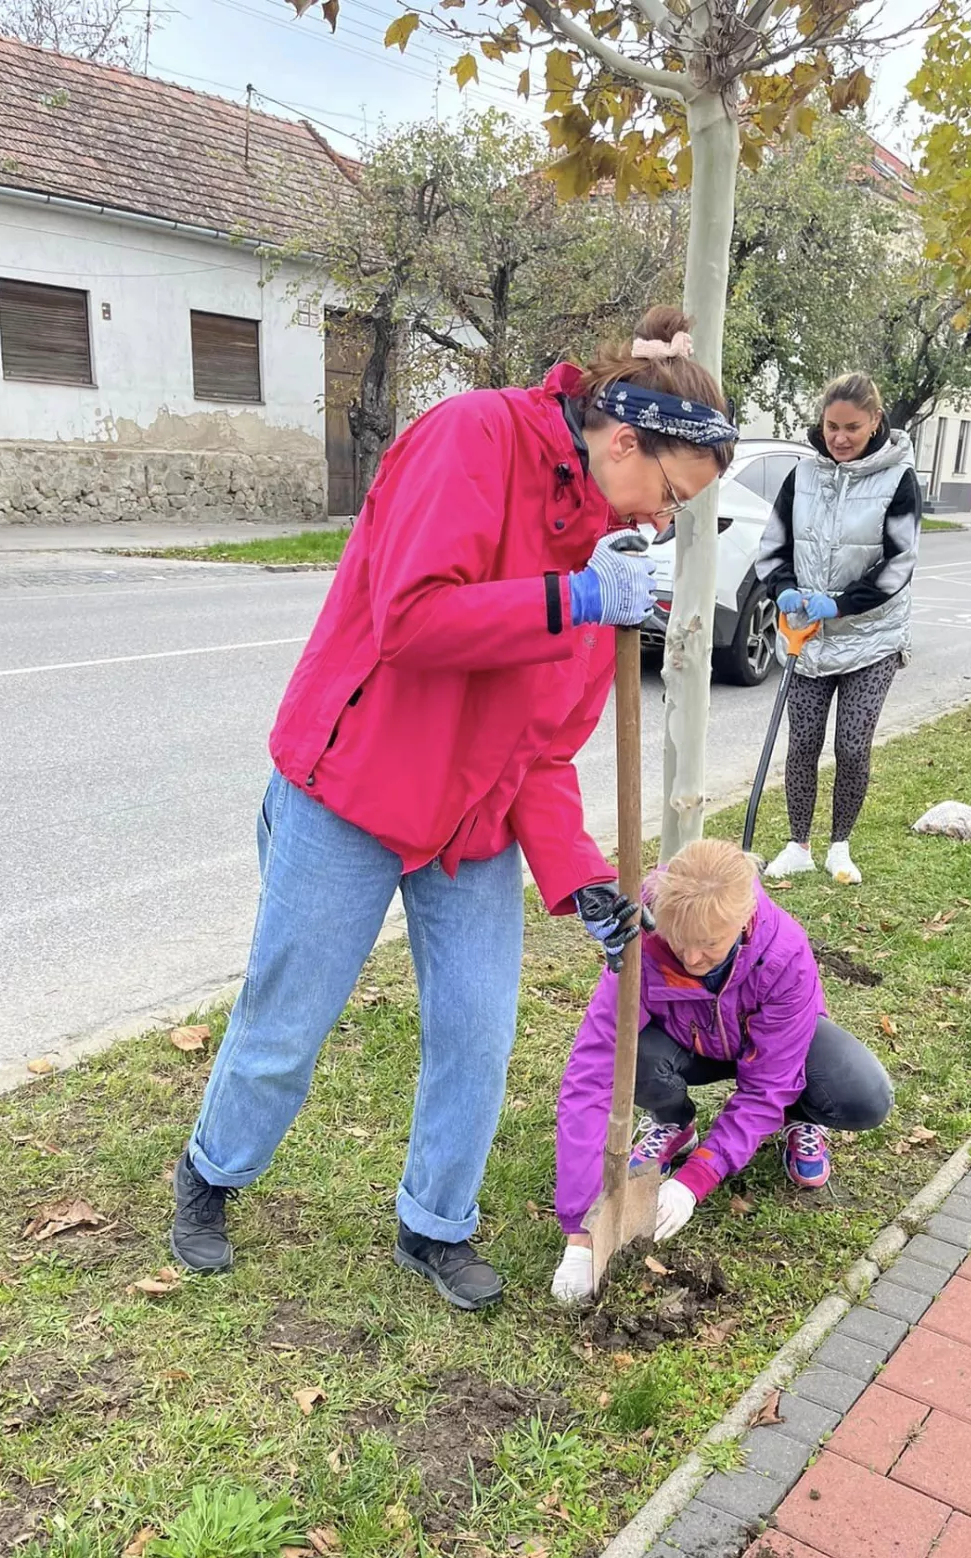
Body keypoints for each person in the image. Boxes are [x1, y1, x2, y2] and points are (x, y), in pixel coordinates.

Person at [168, 307, 738, 1312]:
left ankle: (434, 1224)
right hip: (353, 789)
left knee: (477, 1029)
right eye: (670, 496)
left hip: (468, 821)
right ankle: (211, 1173)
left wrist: (585, 882)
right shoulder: (475, 438)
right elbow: (414, 619)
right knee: (288, 1018)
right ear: (621, 441)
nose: (662, 524)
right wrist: (569, 600)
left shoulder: (603, 551)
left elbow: (540, 749)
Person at [551, 838, 893, 1305]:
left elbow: (764, 1087)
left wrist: (694, 1183)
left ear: (743, 918)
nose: (691, 959)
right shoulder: (641, 939)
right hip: (689, 1044)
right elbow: (590, 1075)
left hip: (769, 1051)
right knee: (632, 1056)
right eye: (681, 943)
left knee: (862, 1093)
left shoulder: (783, 952)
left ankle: (801, 1115)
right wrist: (578, 1227)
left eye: (709, 945)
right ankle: (674, 1123)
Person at [756, 372, 922, 887]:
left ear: (874, 421)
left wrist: (842, 604)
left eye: (852, 426)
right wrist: (783, 589)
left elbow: (899, 565)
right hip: (808, 637)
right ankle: (798, 844)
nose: (841, 437)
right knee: (802, 743)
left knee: (852, 745)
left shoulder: (899, 480)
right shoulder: (802, 477)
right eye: (832, 426)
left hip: (872, 638)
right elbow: (773, 547)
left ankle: (839, 847)